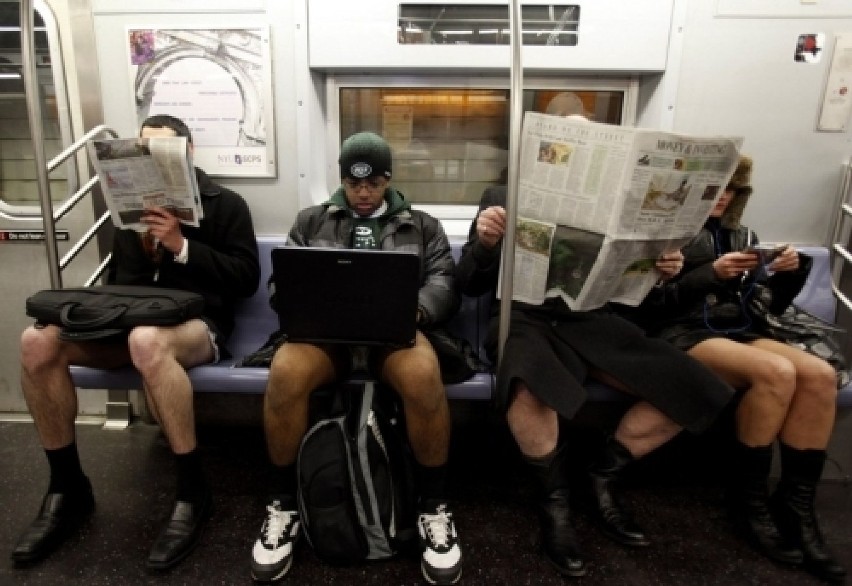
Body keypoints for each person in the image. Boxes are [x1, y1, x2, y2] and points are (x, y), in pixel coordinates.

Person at [12, 114, 261, 571]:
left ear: (186, 154)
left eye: (161, 151)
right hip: (127, 320)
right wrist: (143, 248)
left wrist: (181, 246)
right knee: (36, 342)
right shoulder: (126, 212)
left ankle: (191, 491)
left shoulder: (226, 205)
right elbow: (118, 286)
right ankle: (67, 487)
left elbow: (245, 280)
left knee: (147, 342)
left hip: (198, 325)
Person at [456, 185, 736, 577]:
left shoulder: (623, 204)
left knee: (692, 386)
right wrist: (485, 245)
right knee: (528, 386)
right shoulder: (503, 195)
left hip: (592, 319)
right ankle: (555, 502)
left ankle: (601, 476)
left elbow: (643, 297)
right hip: (524, 319)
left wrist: (662, 273)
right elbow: (468, 283)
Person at [250, 131, 463, 585]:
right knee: (285, 371)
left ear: (388, 180)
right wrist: (301, 306)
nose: (363, 194)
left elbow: (443, 281)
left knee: (424, 373)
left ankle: (433, 508)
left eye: (373, 183)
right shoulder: (310, 222)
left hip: (393, 339)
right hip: (326, 340)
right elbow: (279, 285)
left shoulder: (422, 225)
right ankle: (283, 504)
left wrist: (416, 309)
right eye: (353, 183)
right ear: (343, 180)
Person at [635, 156, 846, 583]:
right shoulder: (660, 237)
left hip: (742, 329)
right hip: (681, 334)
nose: (723, 197)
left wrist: (788, 273)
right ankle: (748, 501)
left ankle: (796, 506)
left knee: (819, 375)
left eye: (731, 190)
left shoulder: (743, 235)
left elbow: (770, 305)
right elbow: (646, 308)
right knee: (776, 373)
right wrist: (709, 275)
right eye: (714, 188)